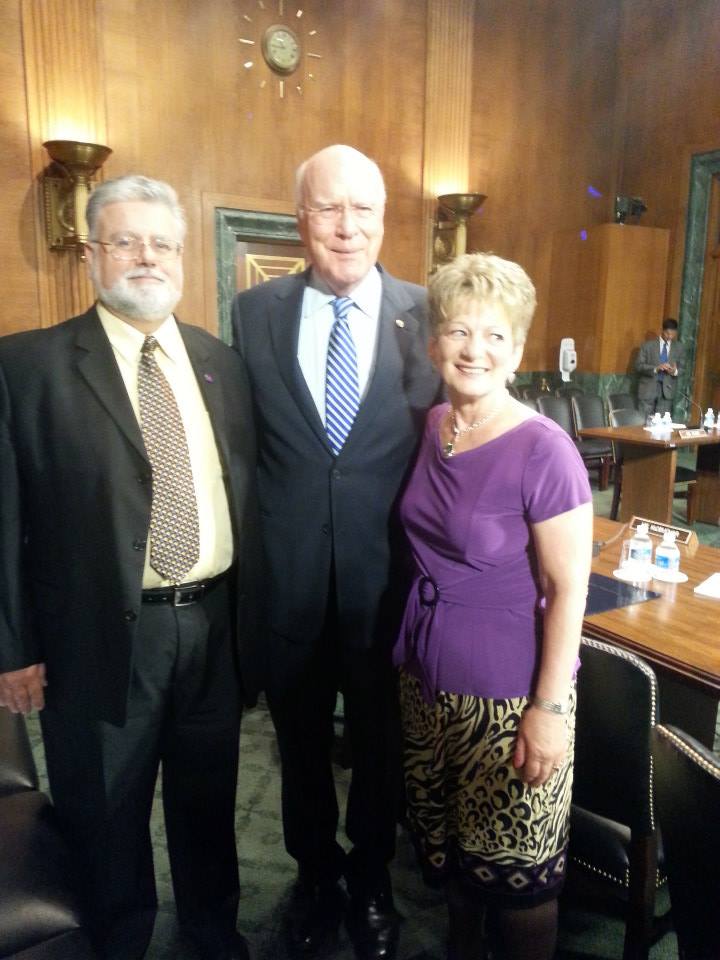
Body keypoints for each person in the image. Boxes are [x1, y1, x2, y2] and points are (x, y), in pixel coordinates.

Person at [0, 175, 262, 960]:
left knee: (211, 802)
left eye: (161, 243)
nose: (146, 256)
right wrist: (12, 650)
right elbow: (3, 517)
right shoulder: (28, 367)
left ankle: (214, 937)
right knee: (104, 814)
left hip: (213, 625)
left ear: (181, 257)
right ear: (91, 253)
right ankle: (121, 942)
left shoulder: (222, 363)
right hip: (99, 639)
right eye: (125, 240)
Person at [231, 144, 439, 960]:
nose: (347, 227)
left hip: (388, 585)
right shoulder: (256, 313)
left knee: (381, 745)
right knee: (301, 742)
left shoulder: (426, 313)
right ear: (299, 221)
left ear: (383, 220)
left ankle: (373, 878)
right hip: (287, 585)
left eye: (363, 210)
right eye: (328, 209)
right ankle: (315, 873)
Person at [392, 253, 593, 960]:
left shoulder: (546, 450)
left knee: (520, 882)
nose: (474, 349)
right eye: (457, 331)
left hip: (508, 700)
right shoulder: (433, 425)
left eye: (494, 336)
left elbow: (569, 587)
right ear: (433, 343)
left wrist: (550, 710)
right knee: (451, 861)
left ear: (518, 350)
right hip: (424, 680)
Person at [635, 317, 685, 419]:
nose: (670, 336)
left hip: (667, 392)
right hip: (648, 390)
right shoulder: (647, 346)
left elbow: (683, 368)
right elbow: (638, 366)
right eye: (667, 333)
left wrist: (674, 371)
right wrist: (655, 368)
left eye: (673, 334)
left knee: (662, 425)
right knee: (642, 424)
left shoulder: (679, 348)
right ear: (662, 330)